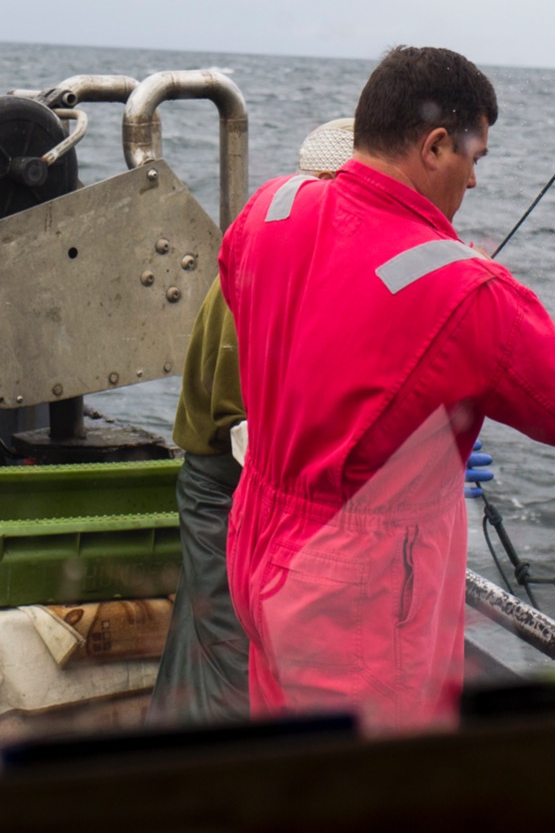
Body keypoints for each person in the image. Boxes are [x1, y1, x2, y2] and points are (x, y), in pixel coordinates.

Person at [221, 46, 555, 731]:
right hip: (356, 595)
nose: (473, 181)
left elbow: (266, 314)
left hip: (258, 545)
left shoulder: (270, 208)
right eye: (474, 158)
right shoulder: (466, 292)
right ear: (435, 145)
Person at [147, 118, 355, 726]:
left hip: (219, 485)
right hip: (228, 492)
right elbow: (249, 430)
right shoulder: (278, 273)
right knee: (234, 665)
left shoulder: (266, 248)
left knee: (200, 644)